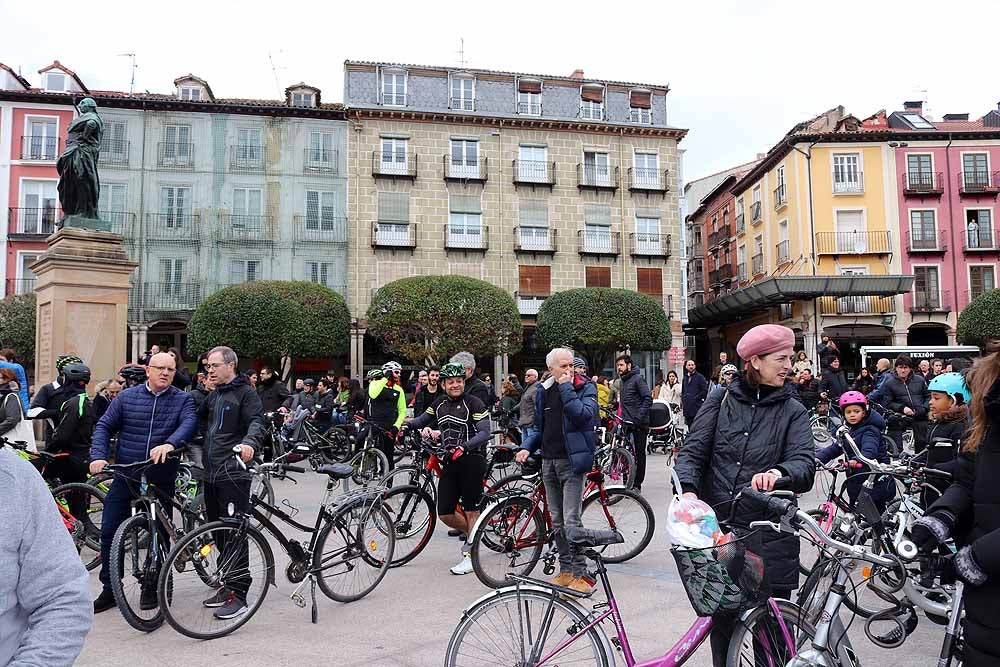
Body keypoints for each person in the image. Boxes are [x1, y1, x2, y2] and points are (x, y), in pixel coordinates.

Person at [674, 324, 814, 667]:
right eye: (780, 359)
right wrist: (690, 495)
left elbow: (804, 464)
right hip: (720, 533)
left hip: (770, 533)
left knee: (774, 637)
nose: (789, 366)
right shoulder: (719, 401)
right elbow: (691, 454)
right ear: (754, 361)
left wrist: (779, 473)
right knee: (723, 624)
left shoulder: (792, 411)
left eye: (790, 358)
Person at [910, 350, 1000, 666]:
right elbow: (969, 476)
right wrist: (940, 516)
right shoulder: (991, 414)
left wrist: (978, 557)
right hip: (987, 599)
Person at [89, 351, 197, 613]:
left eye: (170, 370)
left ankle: (156, 584)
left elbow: (189, 424)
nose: (165, 373)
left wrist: (170, 444)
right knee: (109, 531)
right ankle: (110, 588)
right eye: (159, 368)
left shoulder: (183, 400)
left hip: (161, 475)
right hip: (127, 473)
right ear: (148, 370)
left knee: (159, 532)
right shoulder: (126, 397)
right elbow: (104, 426)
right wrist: (98, 456)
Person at [515, 348, 599, 595]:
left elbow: (583, 416)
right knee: (557, 520)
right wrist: (527, 447)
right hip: (549, 462)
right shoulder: (543, 391)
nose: (568, 370)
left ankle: (581, 574)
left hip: (572, 462)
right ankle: (565, 570)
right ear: (550, 368)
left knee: (572, 519)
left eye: (571, 365)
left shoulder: (585, 388)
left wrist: (566, 388)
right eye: (563, 366)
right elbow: (542, 428)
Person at [0, 444, 92, 667]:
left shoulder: (13, 478)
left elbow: (62, 596)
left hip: (76, 457)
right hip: (75, 455)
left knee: (82, 505)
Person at [403, 362, 491, 575]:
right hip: (450, 459)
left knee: (471, 509)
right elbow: (423, 419)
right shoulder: (440, 403)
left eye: (459, 381)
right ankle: (475, 533)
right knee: (445, 513)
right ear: (443, 384)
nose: (455, 385)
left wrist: (464, 447)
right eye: (451, 381)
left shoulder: (474, 403)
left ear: (464, 382)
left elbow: (485, 431)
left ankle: (471, 555)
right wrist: (405, 426)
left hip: (472, 459)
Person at [196, 346, 264, 619]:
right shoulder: (214, 396)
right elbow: (198, 420)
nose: (209, 370)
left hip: (234, 474)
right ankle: (227, 584)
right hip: (210, 473)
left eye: (213, 365)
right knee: (219, 533)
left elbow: (257, 423)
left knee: (235, 535)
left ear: (230, 366)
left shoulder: (245, 394)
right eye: (207, 366)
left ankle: (240, 593)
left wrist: (249, 443)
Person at [816, 391, 894, 512]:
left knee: (874, 514)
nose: (852, 415)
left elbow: (869, 450)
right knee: (855, 511)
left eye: (856, 411)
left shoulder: (870, 430)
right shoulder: (849, 431)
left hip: (874, 478)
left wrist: (857, 460)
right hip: (857, 477)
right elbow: (836, 448)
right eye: (848, 412)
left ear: (864, 413)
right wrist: (817, 459)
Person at [43, 363, 94, 516]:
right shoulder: (83, 400)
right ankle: (82, 530)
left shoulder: (73, 403)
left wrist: (48, 450)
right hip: (81, 455)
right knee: (76, 500)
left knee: (36, 470)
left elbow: (63, 434)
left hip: (71, 457)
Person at [879, 355, 931, 453]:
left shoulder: (920, 380)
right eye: (900, 367)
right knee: (893, 426)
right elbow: (888, 403)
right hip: (900, 415)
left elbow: (928, 396)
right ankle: (896, 455)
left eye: (906, 367)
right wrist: (902, 408)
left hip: (919, 414)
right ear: (896, 368)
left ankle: (920, 460)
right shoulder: (889, 383)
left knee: (922, 440)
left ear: (910, 369)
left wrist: (924, 408)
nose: (903, 370)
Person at [616, 354, 652, 492]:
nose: (619, 368)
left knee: (639, 454)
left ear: (629, 365)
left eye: (621, 365)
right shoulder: (623, 381)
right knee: (625, 453)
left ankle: (637, 484)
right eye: (618, 365)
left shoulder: (637, 379)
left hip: (639, 424)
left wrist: (638, 417)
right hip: (626, 422)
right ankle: (627, 481)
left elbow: (647, 399)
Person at [31, 354, 84, 445]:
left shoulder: (80, 388)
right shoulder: (48, 389)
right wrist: (58, 413)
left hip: (77, 441)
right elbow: (33, 412)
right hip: (55, 440)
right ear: (63, 371)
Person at [367, 361, 407, 466]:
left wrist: (396, 426)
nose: (399, 375)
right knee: (360, 440)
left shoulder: (399, 390)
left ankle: (388, 480)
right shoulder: (375, 383)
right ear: (388, 372)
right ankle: (360, 465)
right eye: (397, 372)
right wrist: (385, 378)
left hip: (390, 425)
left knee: (388, 454)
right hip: (374, 423)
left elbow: (402, 411)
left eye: (400, 373)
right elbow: (373, 395)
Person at [681, 359, 709, 427]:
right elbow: (683, 391)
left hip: (696, 408)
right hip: (687, 408)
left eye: (692, 365)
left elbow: (705, 391)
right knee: (689, 427)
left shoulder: (700, 377)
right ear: (686, 367)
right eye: (689, 365)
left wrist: (696, 398)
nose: (691, 366)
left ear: (695, 366)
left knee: (696, 427)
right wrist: (684, 399)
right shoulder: (685, 378)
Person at [0, 368, 24, 440]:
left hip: (9, 441)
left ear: (7, 379)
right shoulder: (2, 395)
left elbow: (12, 420)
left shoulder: (11, 396)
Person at [518, 369, 540, 442]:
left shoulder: (536, 388)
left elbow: (537, 406)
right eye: (526, 375)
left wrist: (534, 421)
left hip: (531, 424)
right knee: (525, 446)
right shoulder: (528, 387)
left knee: (532, 447)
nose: (526, 377)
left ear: (535, 377)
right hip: (525, 422)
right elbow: (523, 402)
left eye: (529, 375)